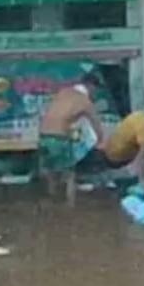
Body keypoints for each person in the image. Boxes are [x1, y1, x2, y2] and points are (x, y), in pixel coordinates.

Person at [38, 77, 105, 206]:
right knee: (69, 173)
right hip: (59, 137)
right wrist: (100, 140)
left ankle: (52, 197)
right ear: (91, 86)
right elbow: (96, 123)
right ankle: (70, 204)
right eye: (95, 90)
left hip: (43, 135)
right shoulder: (85, 102)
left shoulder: (63, 92)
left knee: (50, 169)